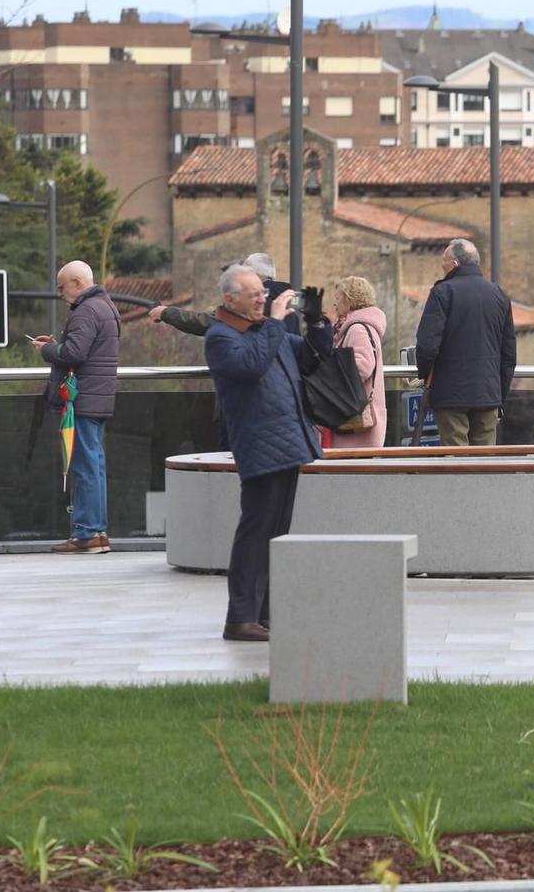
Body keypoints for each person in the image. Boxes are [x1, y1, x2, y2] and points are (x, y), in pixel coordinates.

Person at [205, 264, 330, 641]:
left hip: (288, 443)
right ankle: (241, 618)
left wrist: (316, 323)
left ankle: (265, 614)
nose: (264, 299)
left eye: (264, 293)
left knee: (276, 534)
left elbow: (312, 358)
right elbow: (251, 366)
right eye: (255, 295)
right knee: (256, 533)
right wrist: (276, 322)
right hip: (259, 445)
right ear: (231, 300)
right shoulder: (221, 336)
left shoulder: (263, 331)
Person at [37, 260, 121, 554]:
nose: (60, 293)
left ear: (77, 283)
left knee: (85, 467)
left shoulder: (86, 310)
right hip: (98, 397)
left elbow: (75, 352)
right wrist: (58, 344)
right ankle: (98, 532)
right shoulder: (106, 306)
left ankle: (86, 533)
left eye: (62, 287)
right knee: (95, 465)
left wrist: (47, 350)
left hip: (82, 400)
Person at [414, 238, 516, 447]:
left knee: (455, 459)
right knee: (484, 460)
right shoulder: (499, 295)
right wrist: (500, 395)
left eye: (444, 260)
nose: (442, 265)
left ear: (455, 264)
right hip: (488, 392)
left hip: (450, 392)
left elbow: (427, 344)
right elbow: (509, 353)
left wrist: (424, 375)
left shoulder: (443, 292)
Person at [153, 253, 283, 337]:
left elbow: (206, 323)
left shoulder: (251, 303)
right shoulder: (289, 302)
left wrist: (166, 313)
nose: (261, 300)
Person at [328, 275, 389, 450]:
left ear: (349, 300)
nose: (335, 303)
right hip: (361, 417)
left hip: (356, 420)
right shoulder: (363, 326)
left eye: (338, 298)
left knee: (349, 476)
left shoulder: (357, 328)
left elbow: (363, 366)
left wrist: (331, 374)